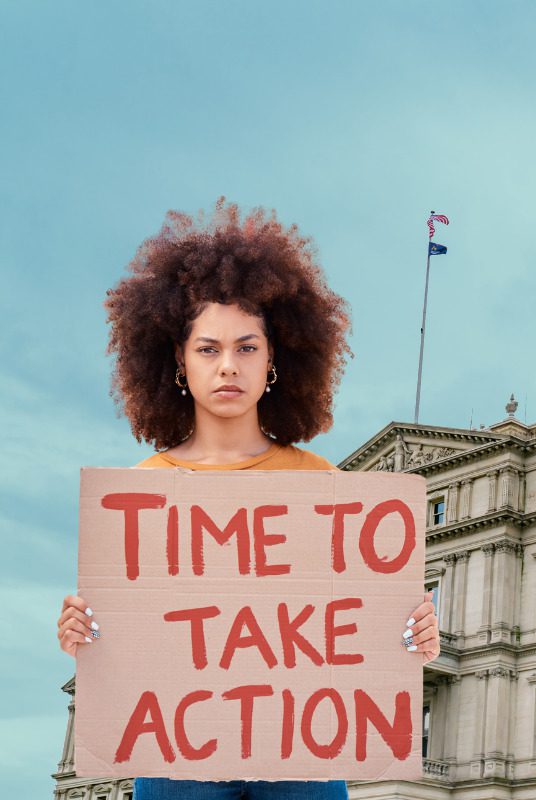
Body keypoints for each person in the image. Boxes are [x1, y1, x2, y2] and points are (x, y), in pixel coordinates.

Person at [55, 200, 439, 800]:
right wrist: (84, 630)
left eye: (247, 347)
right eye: (207, 349)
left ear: (275, 360)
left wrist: (410, 632)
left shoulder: (323, 481)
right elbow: (133, 633)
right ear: (177, 363)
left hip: (300, 752)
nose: (228, 367)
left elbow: (346, 623)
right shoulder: (141, 486)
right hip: (178, 754)